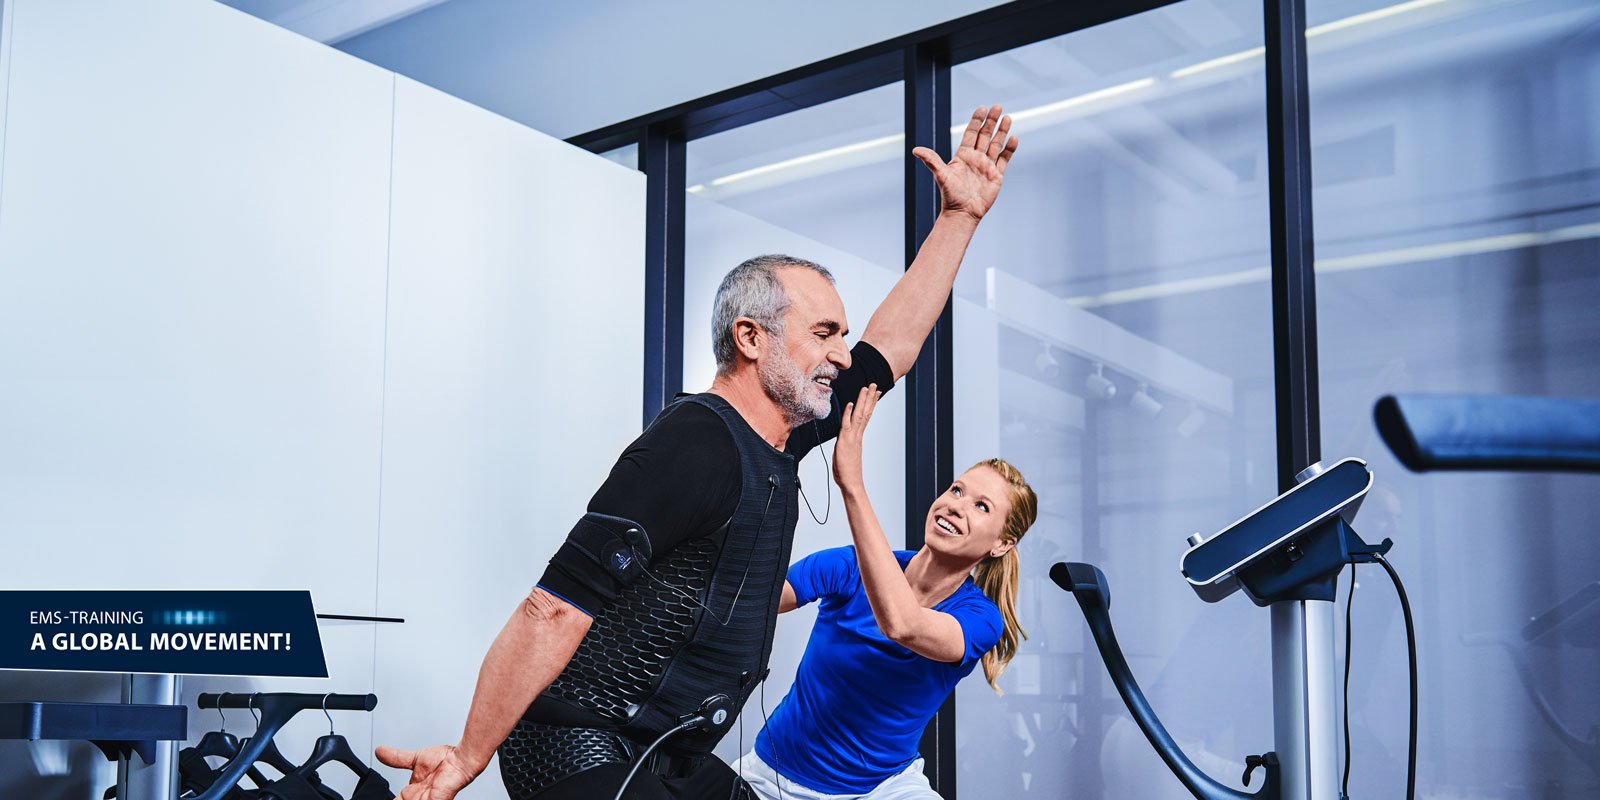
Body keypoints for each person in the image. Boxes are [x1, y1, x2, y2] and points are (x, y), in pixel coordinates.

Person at [375, 106, 1020, 800]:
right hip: (578, 741)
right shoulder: (695, 442)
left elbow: (889, 351)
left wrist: (960, 219)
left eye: (842, 336)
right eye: (825, 333)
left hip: (665, 751)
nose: (841, 353)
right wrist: (468, 755)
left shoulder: (779, 436)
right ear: (751, 339)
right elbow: (552, 607)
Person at [735, 385, 1037, 800]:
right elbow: (750, 599)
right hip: (770, 777)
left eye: (981, 506)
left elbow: (903, 625)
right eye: (957, 490)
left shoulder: (980, 620)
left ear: (1001, 544)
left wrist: (853, 486)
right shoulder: (849, 565)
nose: (956, 505)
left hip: (881, 790)